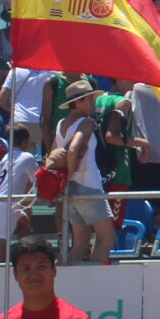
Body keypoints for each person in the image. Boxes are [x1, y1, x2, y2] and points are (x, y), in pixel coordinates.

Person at [52, 79, 115, 262]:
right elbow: (73, 149)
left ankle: (68, 276)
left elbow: (53, 154)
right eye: (89, 99)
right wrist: (71, 173)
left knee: (80, 243)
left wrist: (66, 179)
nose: (92, 102)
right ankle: (95, 276)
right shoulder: (86, 122)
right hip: (88, 186)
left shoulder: (61, 124)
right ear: (78, 102)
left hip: (71, 189)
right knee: (107, 238)